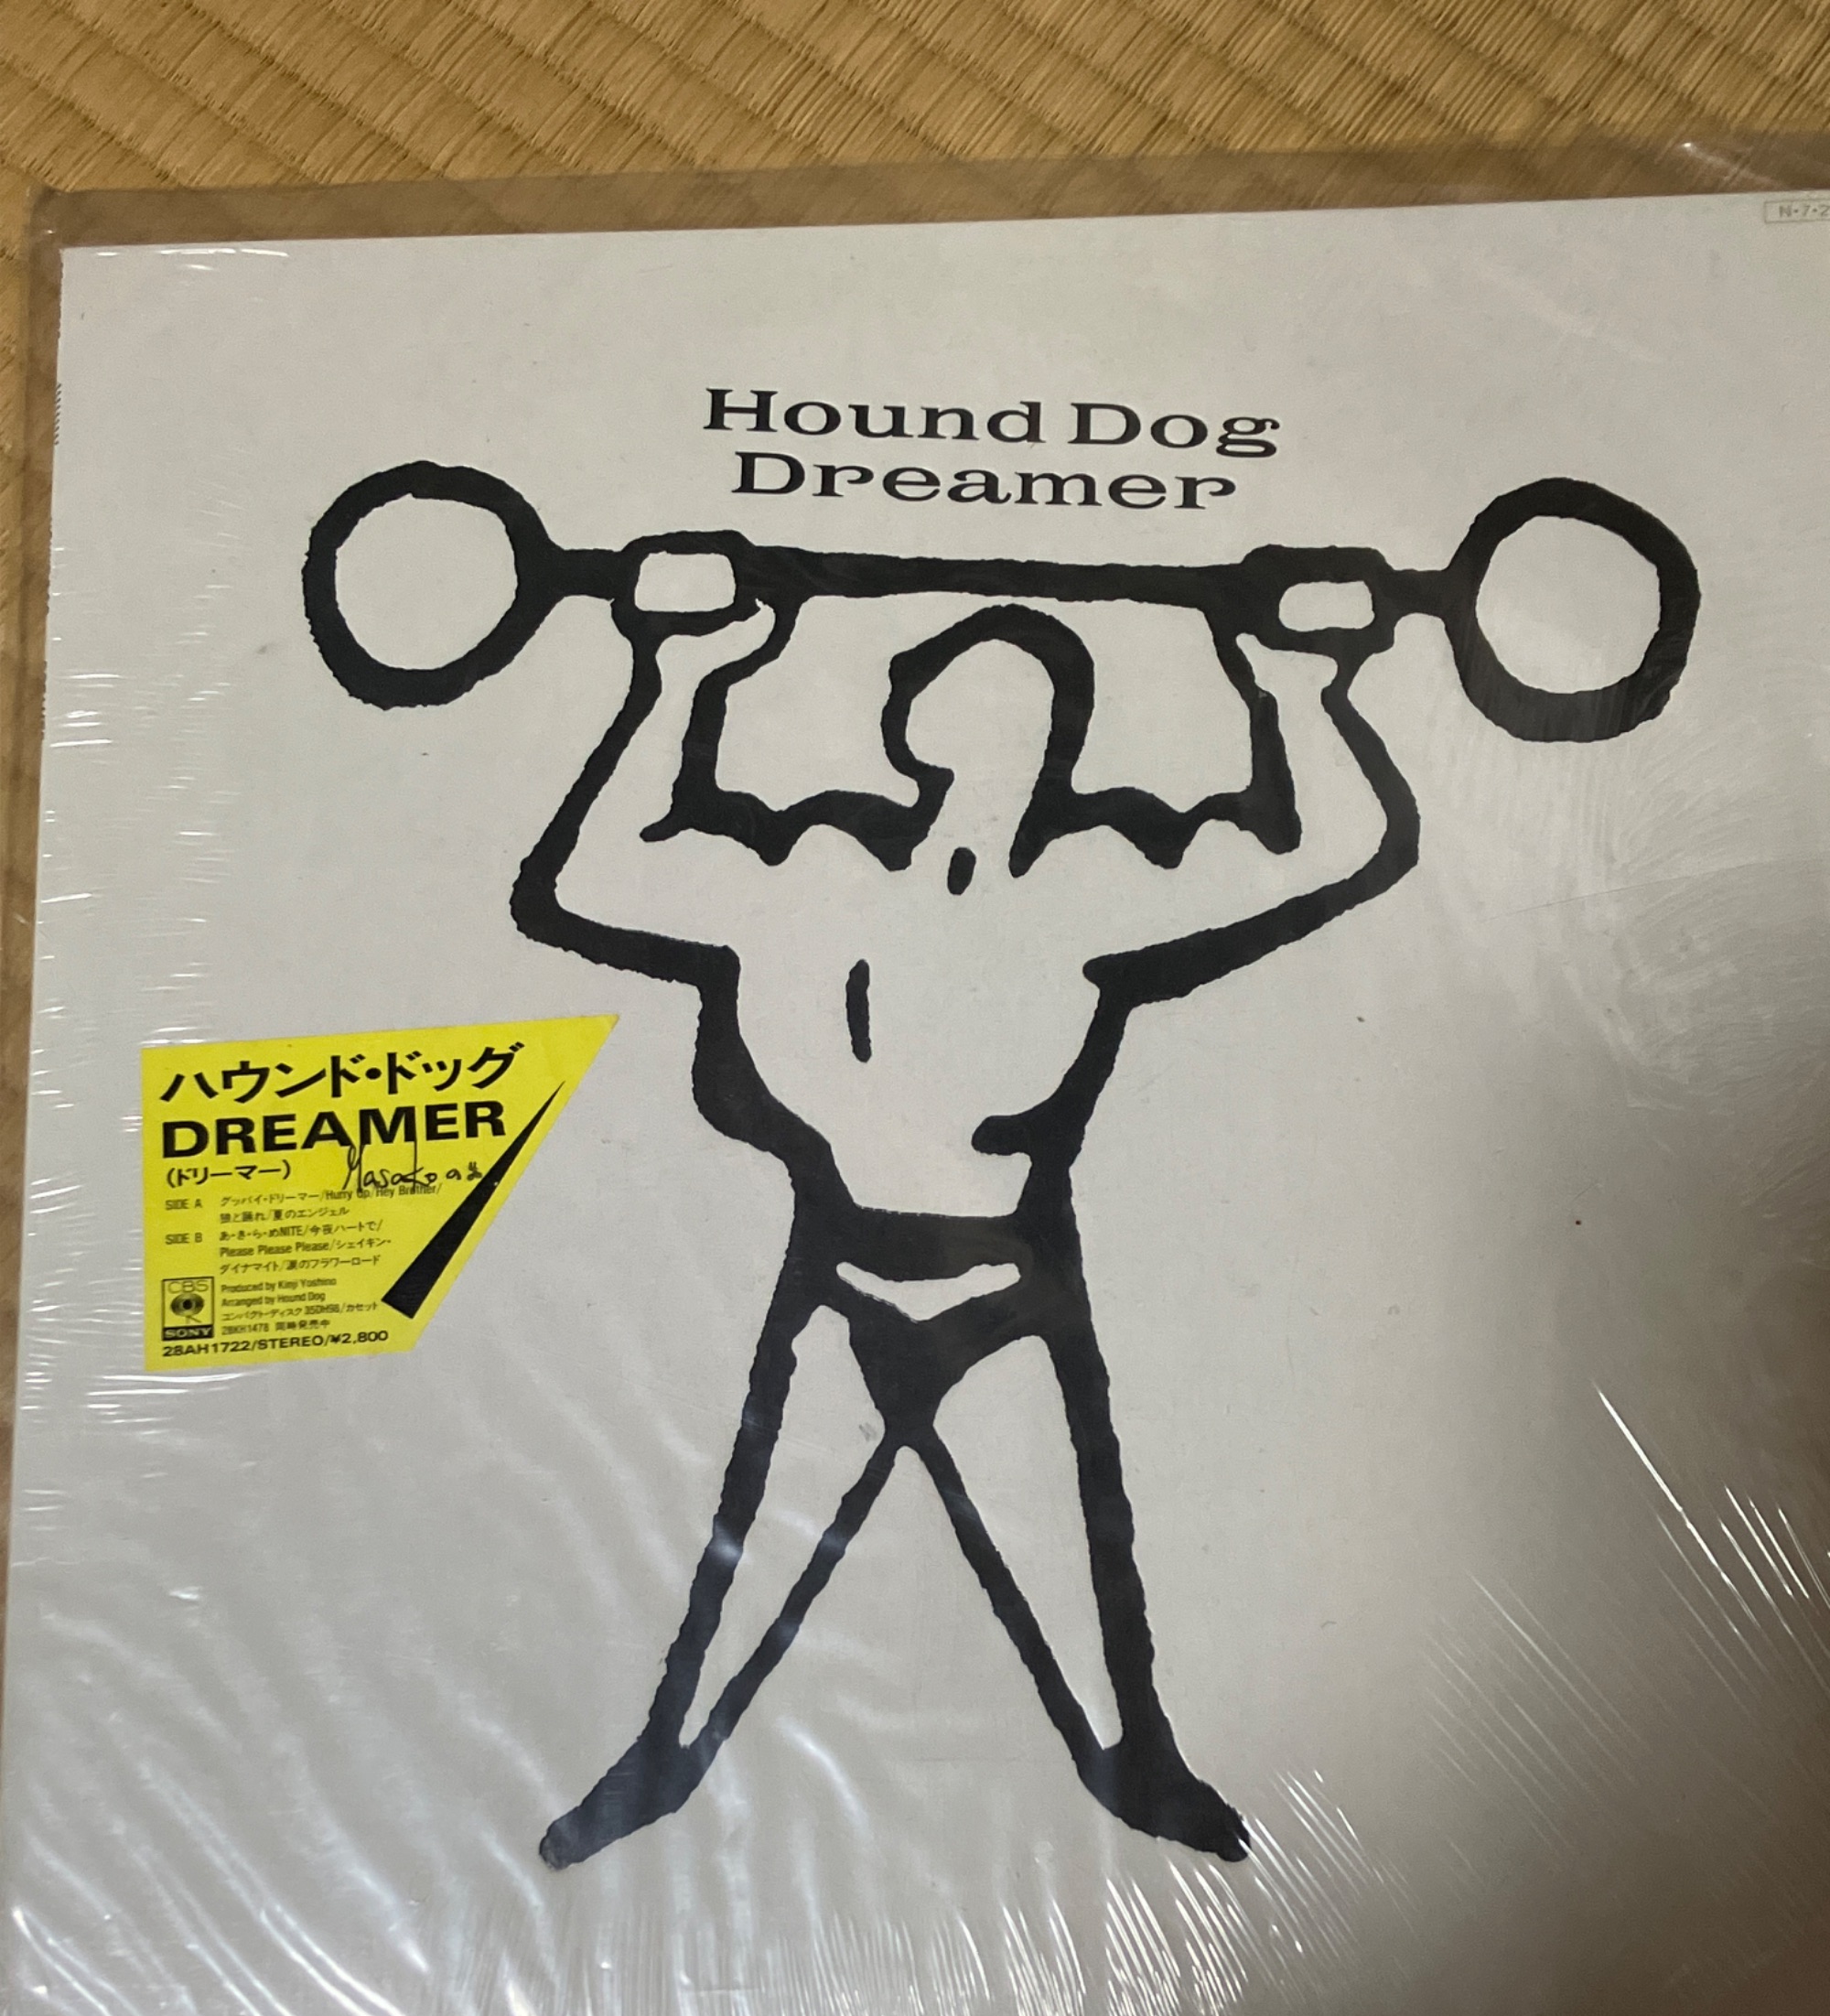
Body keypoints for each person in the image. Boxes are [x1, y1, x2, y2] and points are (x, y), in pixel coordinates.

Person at [305, 468, 1696, 1870]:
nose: (1001, 731)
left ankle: (1136, 1767)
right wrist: (678, 676)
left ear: (1062, 745)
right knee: (745, 1561)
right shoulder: (812, 869)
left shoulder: (1090, 888)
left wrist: (1298, 689)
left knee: (1082, 1589)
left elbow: (1329, 845)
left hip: (1004, 1280)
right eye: (971, 702)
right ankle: (661, 1769)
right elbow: (596, 876)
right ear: (907, 724)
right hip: (842, 1271)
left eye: (1031, 713)